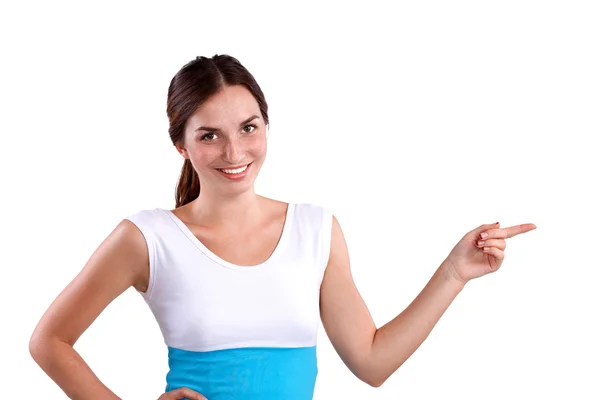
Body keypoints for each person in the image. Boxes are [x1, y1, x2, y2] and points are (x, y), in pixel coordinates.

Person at [29, 54, 537, 400]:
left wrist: (453, 273)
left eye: (248, 128)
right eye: (209, 135)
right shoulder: (147, 238)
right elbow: (49, 341)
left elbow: (372, 363)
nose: (234, 153)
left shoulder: (315, 231)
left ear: (266, 126)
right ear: (181, 145)